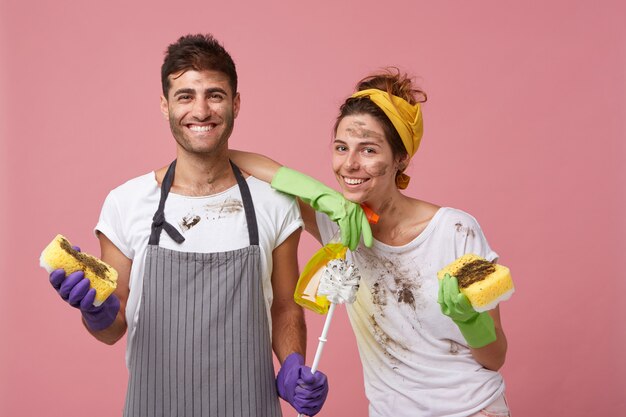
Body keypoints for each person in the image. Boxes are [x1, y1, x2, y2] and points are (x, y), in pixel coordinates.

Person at [46, 33, 340, 417]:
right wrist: (95, 314)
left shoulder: (273, 201)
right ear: (165, 106)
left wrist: (291, 364)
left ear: (235, 103)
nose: (201, 110)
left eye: (215, 95)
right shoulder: (127, 203)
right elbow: (113, 327)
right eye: (185, 96)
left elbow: (285, 307)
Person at [230, 68, 510, 416]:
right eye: (341, 147)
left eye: (369, 150)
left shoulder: (457, 231)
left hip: (474, 410)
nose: (350, 163)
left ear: (400, 158)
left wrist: (471, 320)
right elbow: (231, 159)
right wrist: (317, 194)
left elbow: (494, 358)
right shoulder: (338, 225)